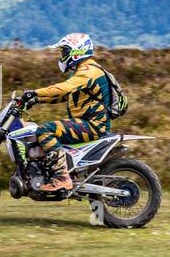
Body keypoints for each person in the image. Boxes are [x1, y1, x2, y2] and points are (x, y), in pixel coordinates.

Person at [18, 32, 113, 193]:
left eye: (65, 51)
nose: (62, 56)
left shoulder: (89, 71)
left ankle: (62, 177)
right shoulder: (82, 71)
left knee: (44, 130)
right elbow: (63, 95)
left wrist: (35, 92)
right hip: (86, 123)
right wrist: (36, 100)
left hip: (92, 126)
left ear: (77, 52)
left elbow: (65, 87)